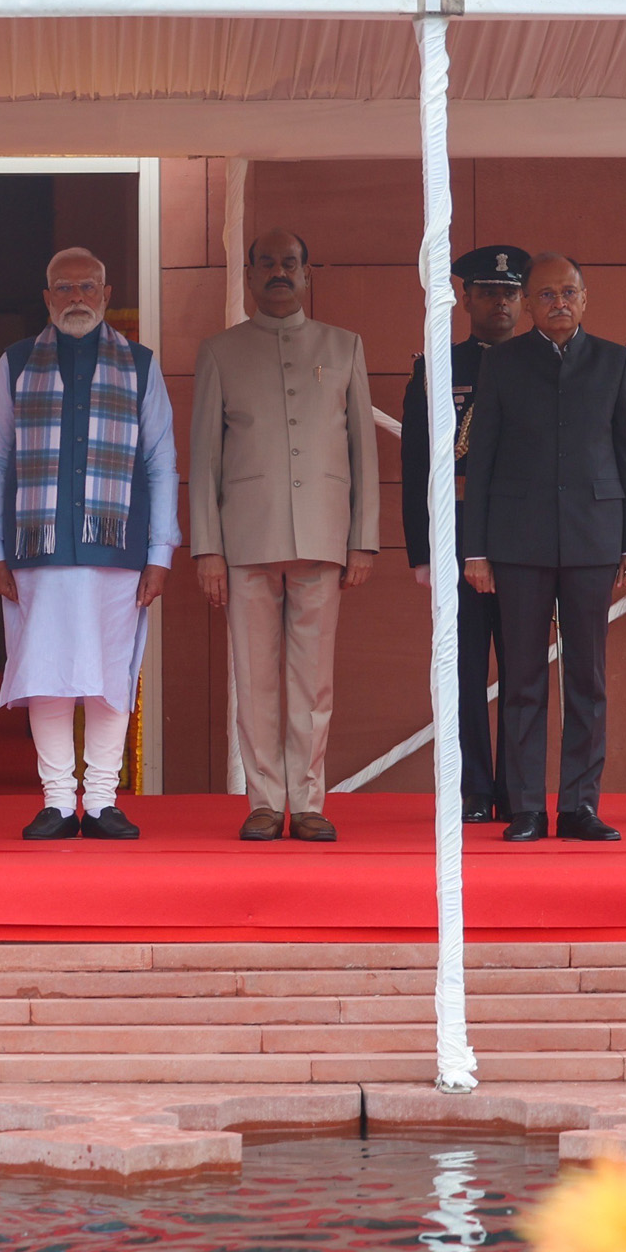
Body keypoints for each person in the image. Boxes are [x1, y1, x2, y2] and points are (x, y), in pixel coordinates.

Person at [189, 228, 379, 843]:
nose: (279, 272)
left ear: (306, 272)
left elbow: (362, 455)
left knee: (312, 677)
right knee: (255, 676)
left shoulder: (343, 346)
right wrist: (207, 547)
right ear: (248, 275)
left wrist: (363, 541)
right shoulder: (221, 351)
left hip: (324, 537)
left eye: (289, 263)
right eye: (266, 263)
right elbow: (204, 462)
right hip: (244, 541)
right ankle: (266, 800)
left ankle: (310, 798)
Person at [0, 248, 176, 840]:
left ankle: (102, 798)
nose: (76, 297)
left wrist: (161, 552)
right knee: (47, 674)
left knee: (109, 675)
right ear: (47, 298)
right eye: (64, 288)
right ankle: (59, 801)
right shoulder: (16, 364)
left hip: (117, 554)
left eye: (87, 286)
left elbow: (161, 463)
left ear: (106, 293)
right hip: (36, 551)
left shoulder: (139, 365)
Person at [461, 253, 626, 844]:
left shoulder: (615, 361)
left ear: (585, 299)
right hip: (518, 541)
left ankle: (579, 807)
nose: (558, 303)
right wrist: (476, 551)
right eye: (545, 295)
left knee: (587, 677)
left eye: (569, 293)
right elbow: (482, 461)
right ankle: (525, 809)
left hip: (595, 536)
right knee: (521, 678)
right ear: (528, 303)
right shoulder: (505, 364)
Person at [401, 245, 526, 823]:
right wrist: (422, 551)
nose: (499, 301)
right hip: (455, 537)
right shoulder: (436, 367)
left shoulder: (539, 364)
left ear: (522, 301)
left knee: (524, 668)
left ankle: (517, 788)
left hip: (526, 538)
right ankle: (475, 785)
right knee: (465, 668)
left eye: (510, 292)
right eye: (488, 292)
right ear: (468, 299)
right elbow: (417, 463)